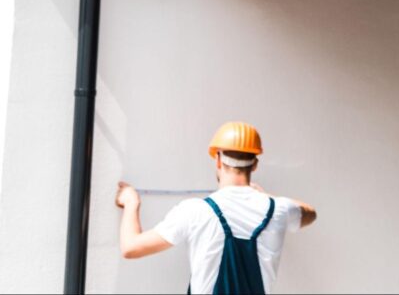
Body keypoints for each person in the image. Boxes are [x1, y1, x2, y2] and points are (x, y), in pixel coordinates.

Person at [114, 122, 317, 294]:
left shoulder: (195, 211)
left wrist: (132, 203)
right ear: (254, 164)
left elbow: (131, 247)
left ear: (218, 160)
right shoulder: (278, 210)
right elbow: (309, 213)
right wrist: (266, 197)